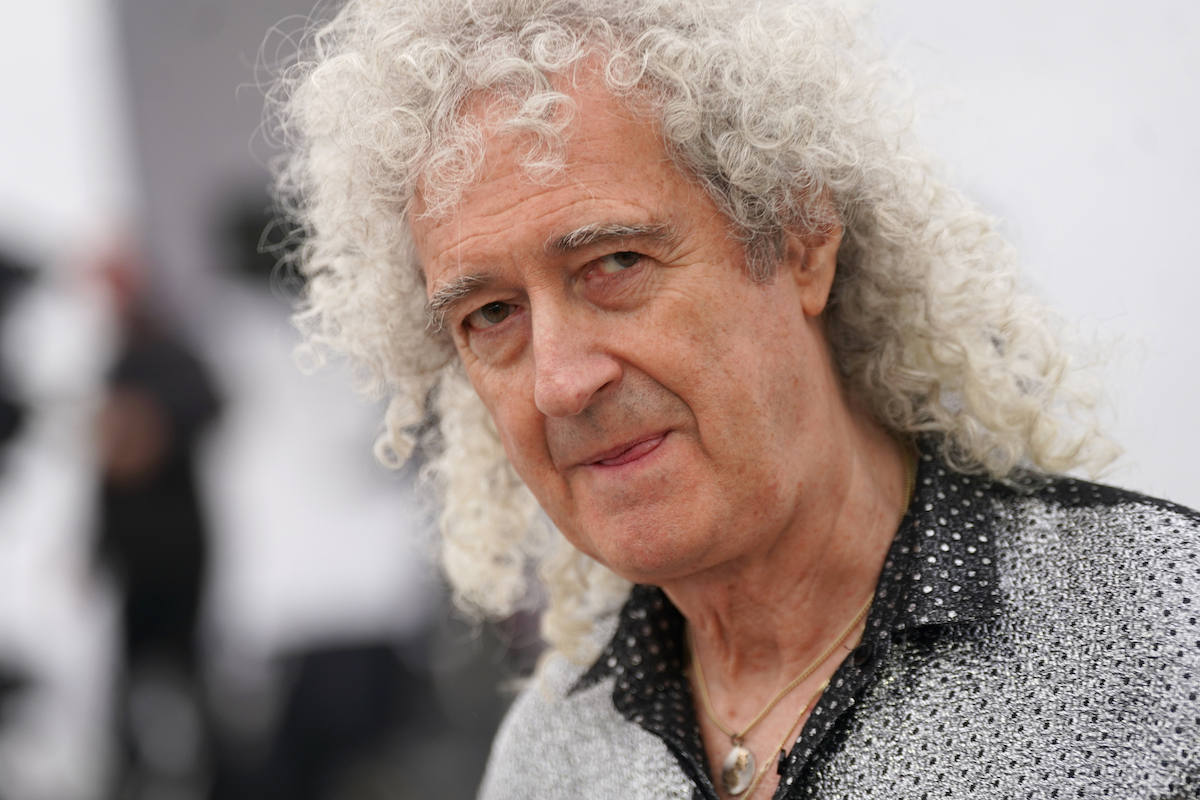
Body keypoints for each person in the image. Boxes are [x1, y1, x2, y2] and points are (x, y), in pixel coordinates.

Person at [270, 0, 1200, 796]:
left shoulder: (1162, 625)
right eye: (490, 315)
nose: (560, 381)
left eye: (614, 263)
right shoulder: (551, 758)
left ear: (801, 243)